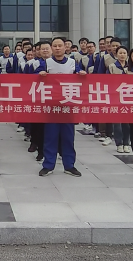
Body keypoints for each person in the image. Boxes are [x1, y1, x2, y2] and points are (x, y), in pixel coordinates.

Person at [38, 37, 85, 178]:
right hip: (51, 107)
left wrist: (82, 74)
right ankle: (48, 165)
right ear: (51, 48)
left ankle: (69, 165)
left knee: (68, 137)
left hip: (67, 107)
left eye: (60, 46)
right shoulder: (46, 63)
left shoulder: (72, 63)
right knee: (50, 137)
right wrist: (40, 75)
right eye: (55, 46)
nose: (57, 48)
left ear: (66, 47)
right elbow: (33, 78)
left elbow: (80, 75)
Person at [107, 45, 132, 153]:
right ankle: (119, 143)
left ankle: (126, 143)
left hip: (128, 97)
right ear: (116, 55)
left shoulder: (131, 67)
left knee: (127, 123)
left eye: (124, 53)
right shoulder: (112, 66)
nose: (122, 55)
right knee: (117, 123)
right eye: (120, 53)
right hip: (115, 97)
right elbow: (107, 80)